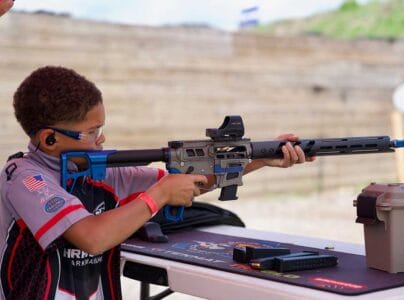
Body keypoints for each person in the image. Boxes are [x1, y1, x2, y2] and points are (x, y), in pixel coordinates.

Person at [0, 66, 313, 299]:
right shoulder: (24, 178)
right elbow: (91, 237)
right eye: (92, 131)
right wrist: (158, 196)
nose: (102, 138)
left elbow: (192, 182)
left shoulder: (99, 171)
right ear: (50, 138)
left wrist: (263, 158)